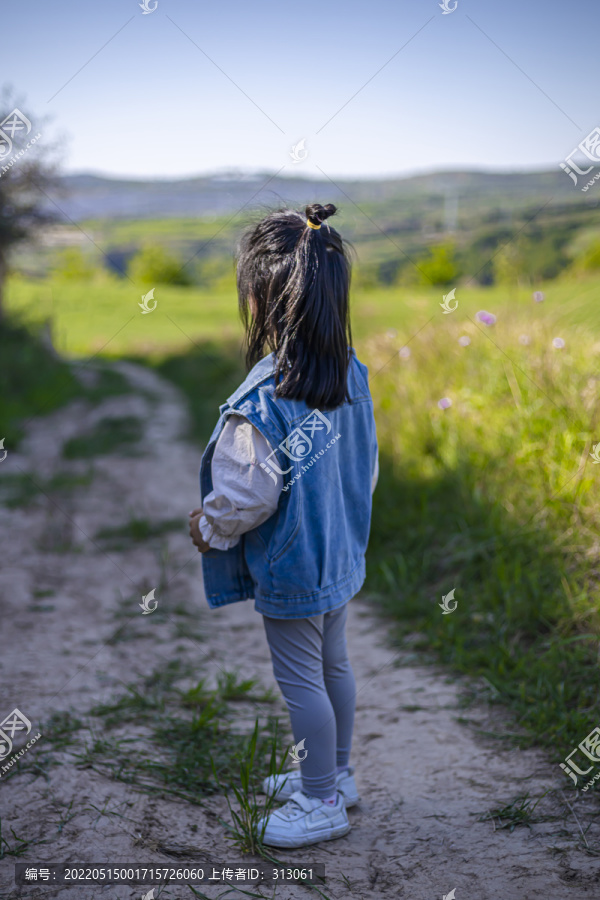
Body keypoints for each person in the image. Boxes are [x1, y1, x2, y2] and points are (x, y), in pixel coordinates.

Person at [188, 202, 379, 848]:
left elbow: (245, 498)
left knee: (302, 683)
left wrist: (209, 529)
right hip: (341, 553)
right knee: (335, 667)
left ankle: (319, 798)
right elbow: (366, 468)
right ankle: (340, 774)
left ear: (262, 300)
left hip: (296, 565)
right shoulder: (353, 375)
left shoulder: (263, 399)